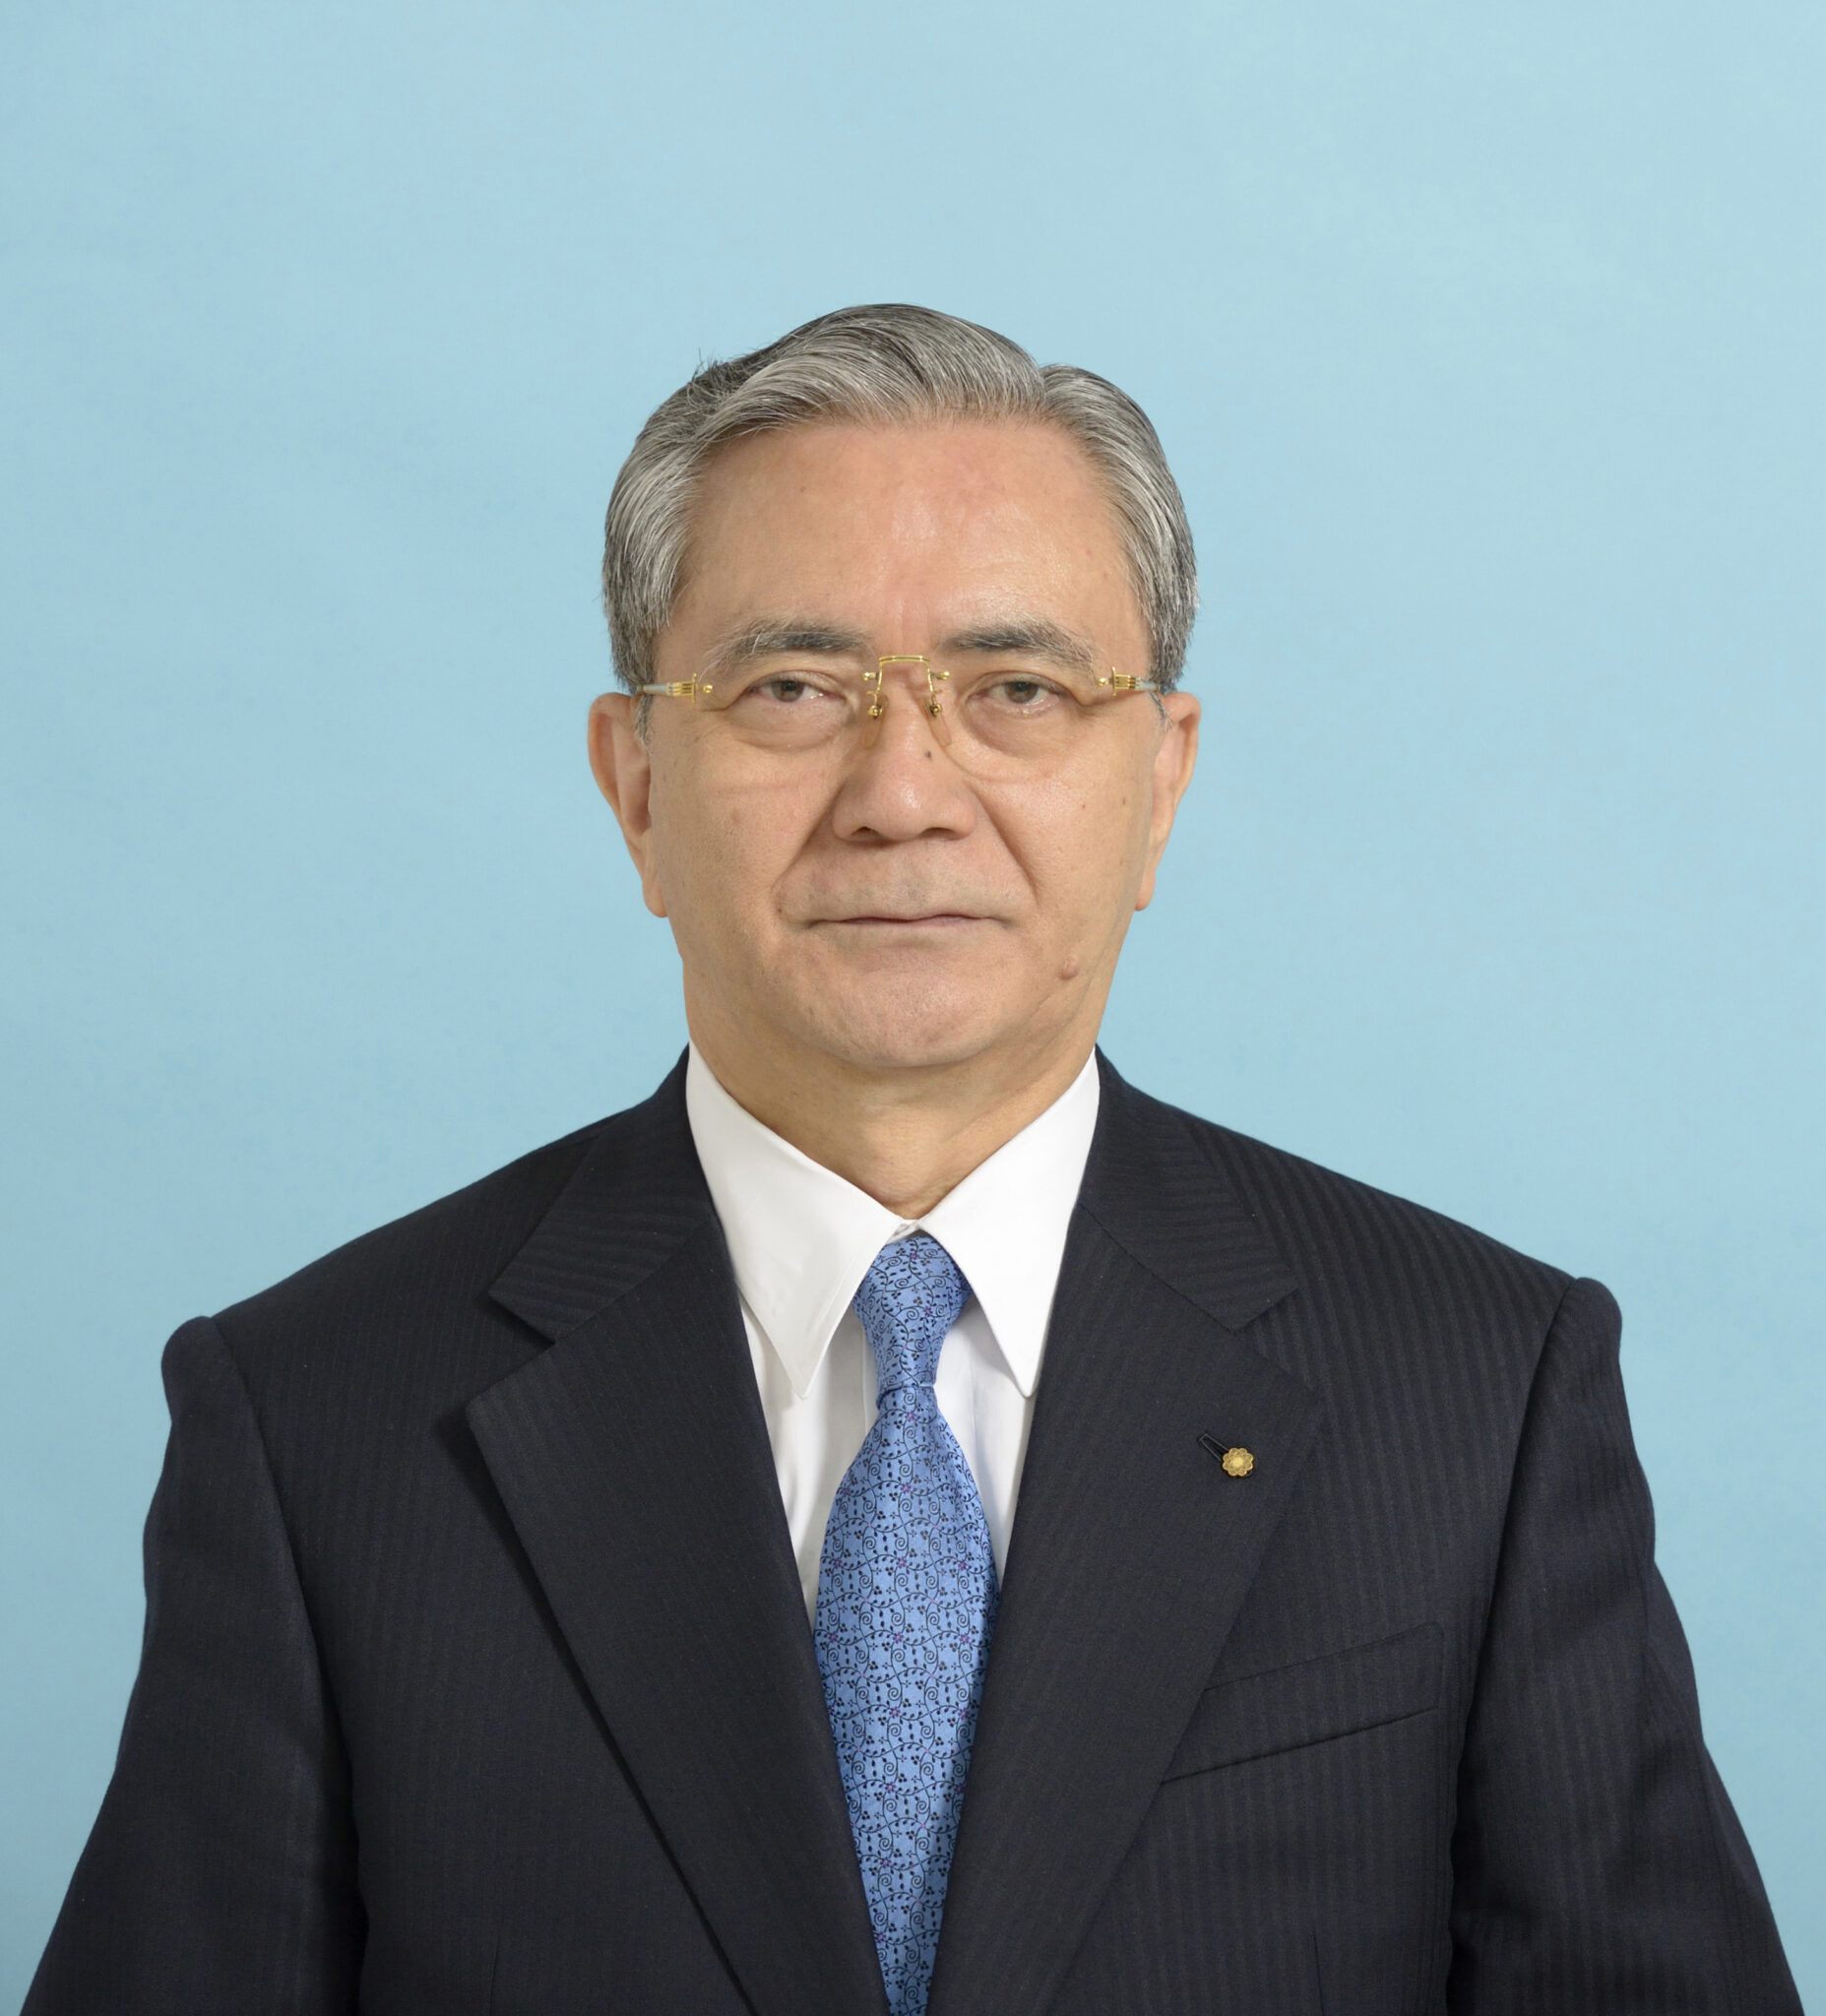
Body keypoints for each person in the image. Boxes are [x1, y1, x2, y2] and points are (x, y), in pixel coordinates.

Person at [28, 304, 1797, 2016]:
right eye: (793, 686)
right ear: (636, 783)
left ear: (1160, 780)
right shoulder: (319, 1419)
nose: (903, 792)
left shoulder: (1477, 1396)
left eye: (1018, 686)